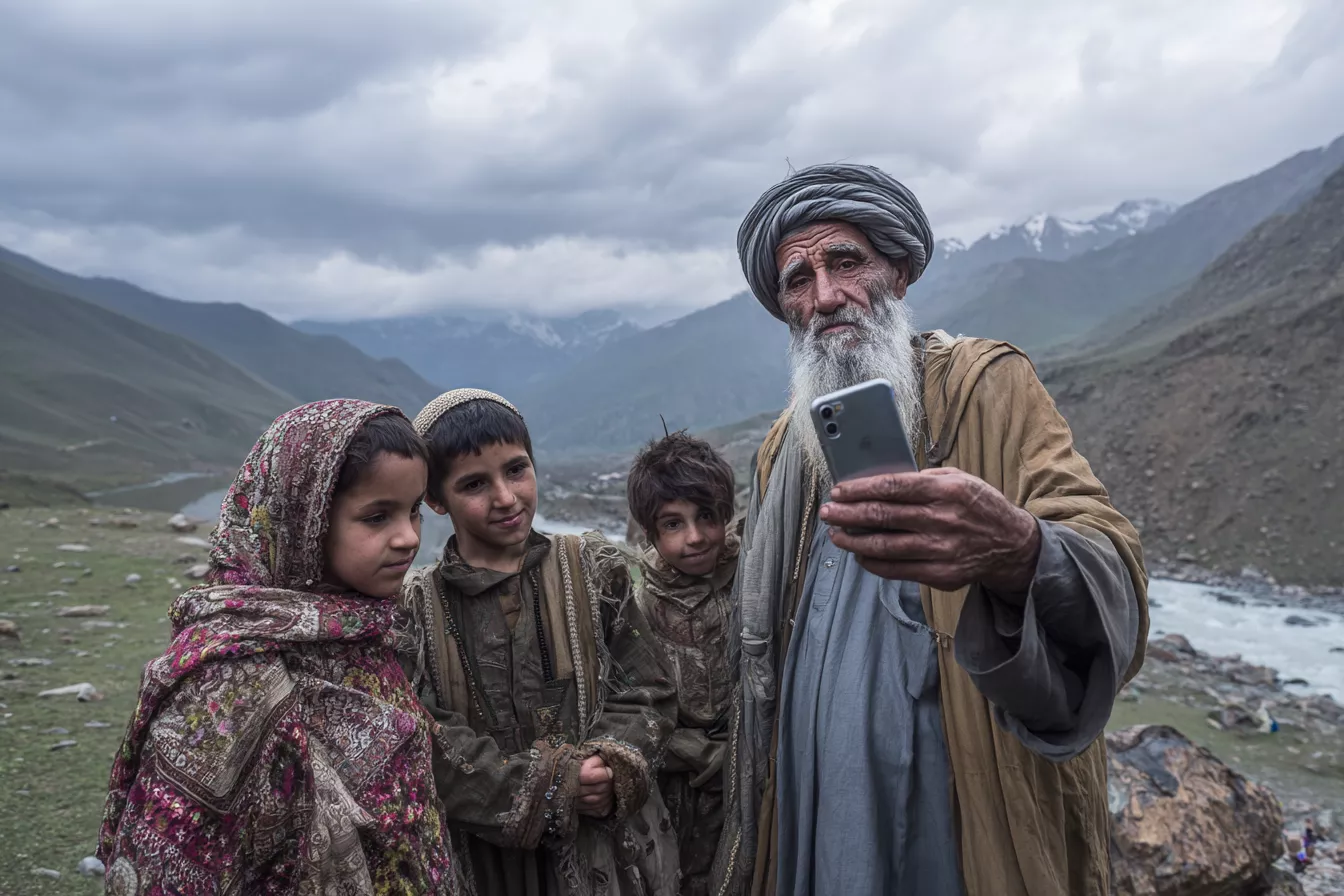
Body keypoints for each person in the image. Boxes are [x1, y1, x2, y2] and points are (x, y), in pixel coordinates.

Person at [712, 164, 1149, 896]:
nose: (824, 296)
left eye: (846, 262)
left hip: (961, 809)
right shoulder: (781, 450)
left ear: (901, 272)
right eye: (797, 280)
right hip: (813, 808)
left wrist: (1017, 549)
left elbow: (1108, 554)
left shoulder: (989, 385)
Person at [99, 400, 459, 896]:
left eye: (414, 510)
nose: (408, 537)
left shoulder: (368, 635)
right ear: (301, 524)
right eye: (377, 517)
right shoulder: (227, 682)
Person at [399, 388, 680, 896]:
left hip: (611, 859)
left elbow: (650, 690)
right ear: (436, 499)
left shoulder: (595, 570)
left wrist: (609, 765)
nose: (506, 497)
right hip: (488, 868)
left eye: (516, 469)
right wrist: (552, 788)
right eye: (474, 484)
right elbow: (424, 736)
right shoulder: (417, 609)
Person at [626, 430, 740, 896]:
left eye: (706, 517)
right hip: (676, 789)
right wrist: (697, 752)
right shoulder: (639, 603)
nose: (695, 538)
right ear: (650, 532)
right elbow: (633, 705)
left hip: (751, 772)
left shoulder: (754, 578)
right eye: (673, 524)